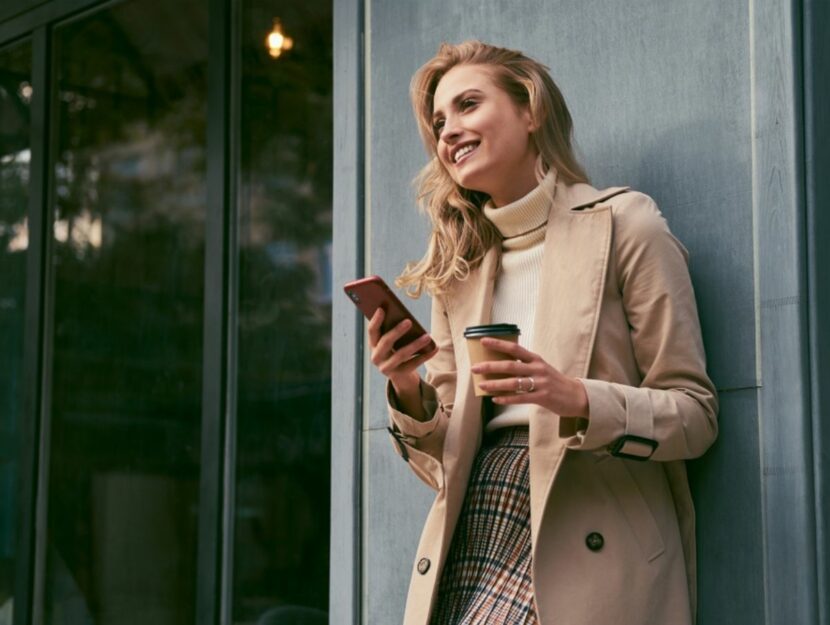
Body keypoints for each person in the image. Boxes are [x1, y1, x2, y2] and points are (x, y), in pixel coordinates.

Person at [366, 40, 718, 625]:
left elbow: (696, 415)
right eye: (438, 121)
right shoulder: (460, 270)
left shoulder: (625, 223)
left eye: (469, 104)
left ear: (531, 111)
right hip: (482, 520)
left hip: (587, 521)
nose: (448, 130)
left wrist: (576, 399)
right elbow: (442, 466)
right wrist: (406, 385)